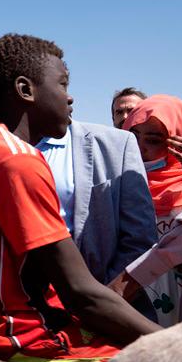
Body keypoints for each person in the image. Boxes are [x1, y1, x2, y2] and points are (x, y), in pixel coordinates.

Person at [0, 33, 160, 362]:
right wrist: (172, 344)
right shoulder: (15, 160)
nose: (70, 97)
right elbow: (80, 293)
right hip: (23, 344)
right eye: (62, 83)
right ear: (26, 90)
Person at [35, 120, 156, 289]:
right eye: (61, 90)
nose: (69, 98)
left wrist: (103, 298)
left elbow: (140, 238)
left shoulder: (116, 144)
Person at [114, 95, 182, 325]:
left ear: (179, 141)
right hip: (132, 300)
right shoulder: (119, 180)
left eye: (152, 140)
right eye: (132, 136)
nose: (139, 148)